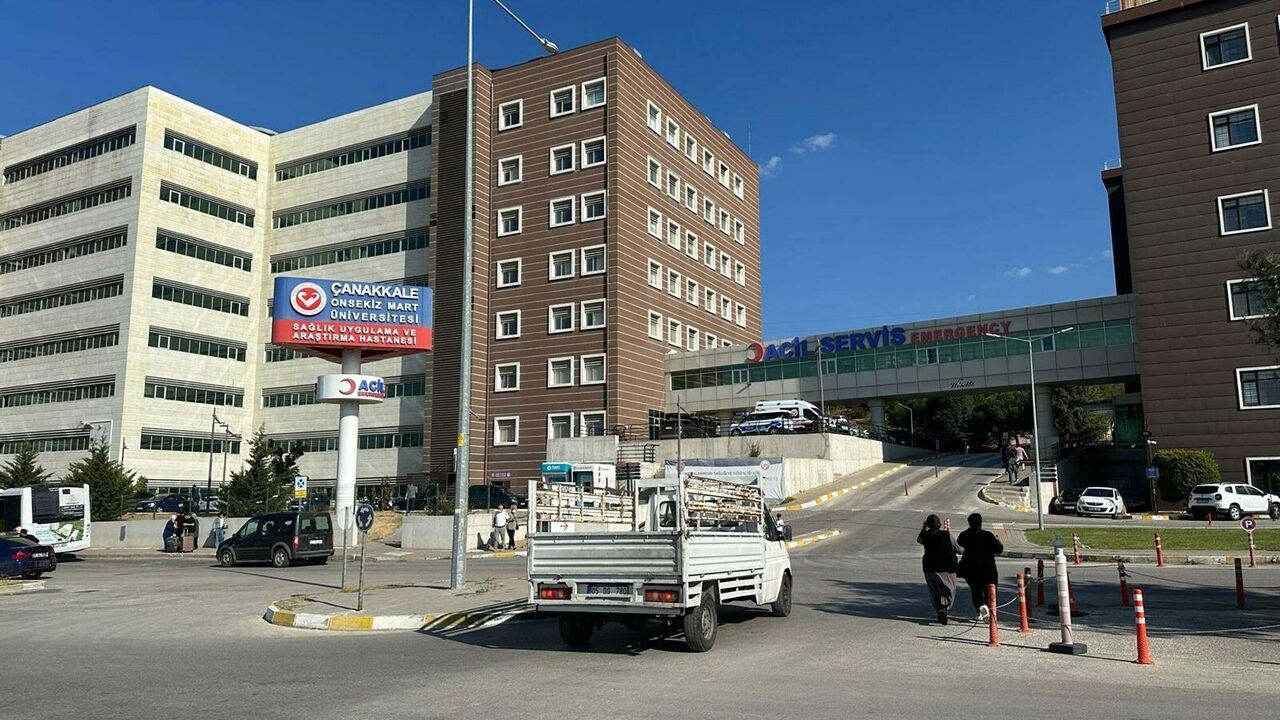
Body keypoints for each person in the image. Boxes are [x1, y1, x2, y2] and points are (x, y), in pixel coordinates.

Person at [956, 513, 1004, 621]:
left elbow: (959, 546)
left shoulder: (964, 535)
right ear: (981, 522)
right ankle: (988, 610)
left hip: (970, 568)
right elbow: (999, 549)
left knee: (976, 590)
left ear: (969, 523)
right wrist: (998, 540)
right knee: (990, 590)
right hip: (988, 568)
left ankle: (981, 608)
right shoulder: (988, 535)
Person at [916, 514, 958, 625]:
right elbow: (958, 549)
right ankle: (944, 607)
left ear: (928, 525)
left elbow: (919, 540)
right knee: (949, 589)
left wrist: (924, 528)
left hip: (929, 567)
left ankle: (940, 610)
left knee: (934, 591)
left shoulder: (925, 535)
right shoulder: (946, 535)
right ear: (939, 524)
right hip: (946, 567)